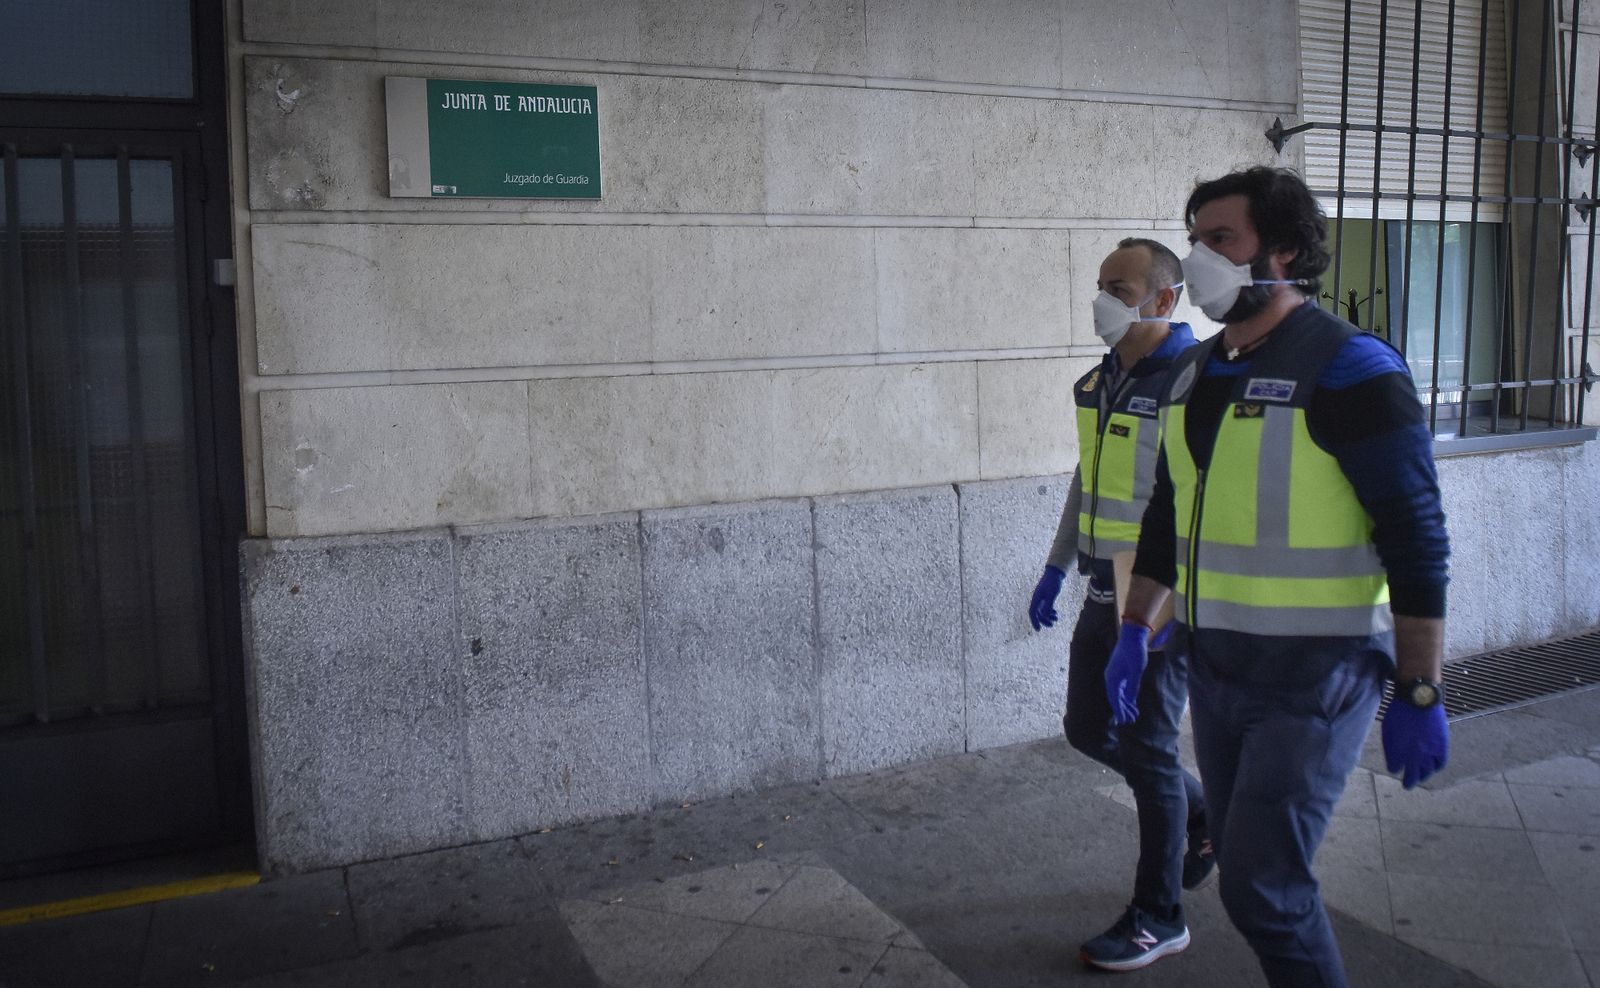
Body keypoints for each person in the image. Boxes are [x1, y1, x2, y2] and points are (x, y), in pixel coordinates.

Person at [1109, 167, 1451, 988]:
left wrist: (1419, 689)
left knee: (1265, 890)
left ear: (1285, 251)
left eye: (1221, 239)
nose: (1201, 258)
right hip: (1217, 671)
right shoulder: (1197, 373)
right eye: (1195, 240)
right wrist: (1134, 627)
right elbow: (1168, 514)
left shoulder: (1351, 367)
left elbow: (1416, 538)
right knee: (1245, 869)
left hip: (1314, 678)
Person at [1028, 238, 1214, 972]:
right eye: (1101, 284)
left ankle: (1159, 916)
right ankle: (1200, 810)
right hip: (1103, 587)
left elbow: (1190, 499)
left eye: (1120, 288)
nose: (1102, 299)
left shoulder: (1191, 382)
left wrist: (1158, 610)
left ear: (1164, 300)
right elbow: (1090, 476)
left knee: (1148, 747)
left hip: (1157, 598)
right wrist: (1056, 565)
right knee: (1086, 728)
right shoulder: (1102, 378)